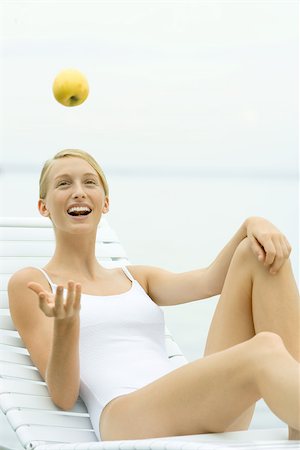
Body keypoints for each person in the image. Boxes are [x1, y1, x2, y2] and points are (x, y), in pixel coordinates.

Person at [8, 149, 300, 442]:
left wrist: (253, 224)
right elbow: (63, 396)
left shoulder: (136, 277)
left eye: (89, 182)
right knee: (264, 348)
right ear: (43, 206)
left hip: (191, 405)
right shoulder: (33, 283)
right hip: (126, 417)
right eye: (63, 184)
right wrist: (67, 324)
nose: (79, 192)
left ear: (105, 203)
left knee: (259, 253)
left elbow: (211, 281)